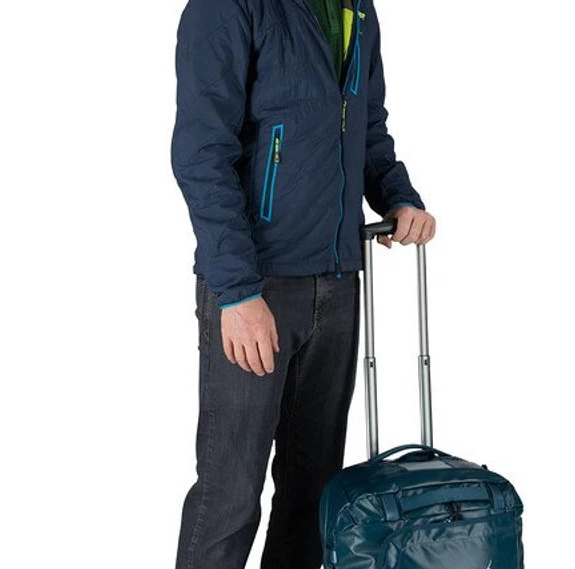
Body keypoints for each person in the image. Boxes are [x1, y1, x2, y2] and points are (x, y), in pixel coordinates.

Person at [171, 0, 436, 567]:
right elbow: (201, 154)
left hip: (337, 281)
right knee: (229, 497)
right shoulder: (228, 7)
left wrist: (398, 196)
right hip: (256, 286)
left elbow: (366, 128)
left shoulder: (356, 7)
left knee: (312, 494)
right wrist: (238, 292)